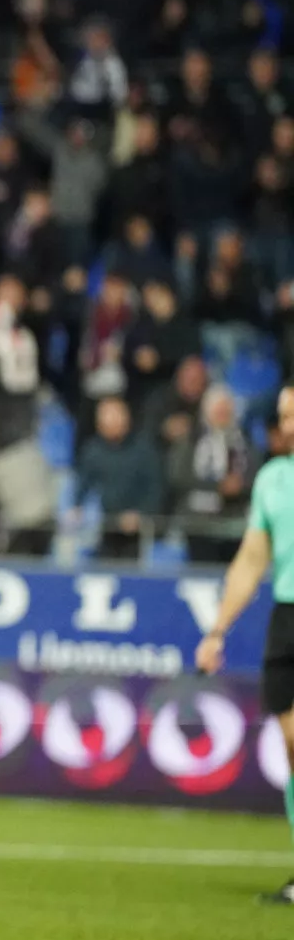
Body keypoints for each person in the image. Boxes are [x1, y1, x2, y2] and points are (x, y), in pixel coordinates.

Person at [193, 385, 294, 905]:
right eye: (283, 415)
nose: (289, 425)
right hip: (287, 615)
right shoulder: (274, 479)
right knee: (293, 744)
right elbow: (252, 560)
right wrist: (217, 631)